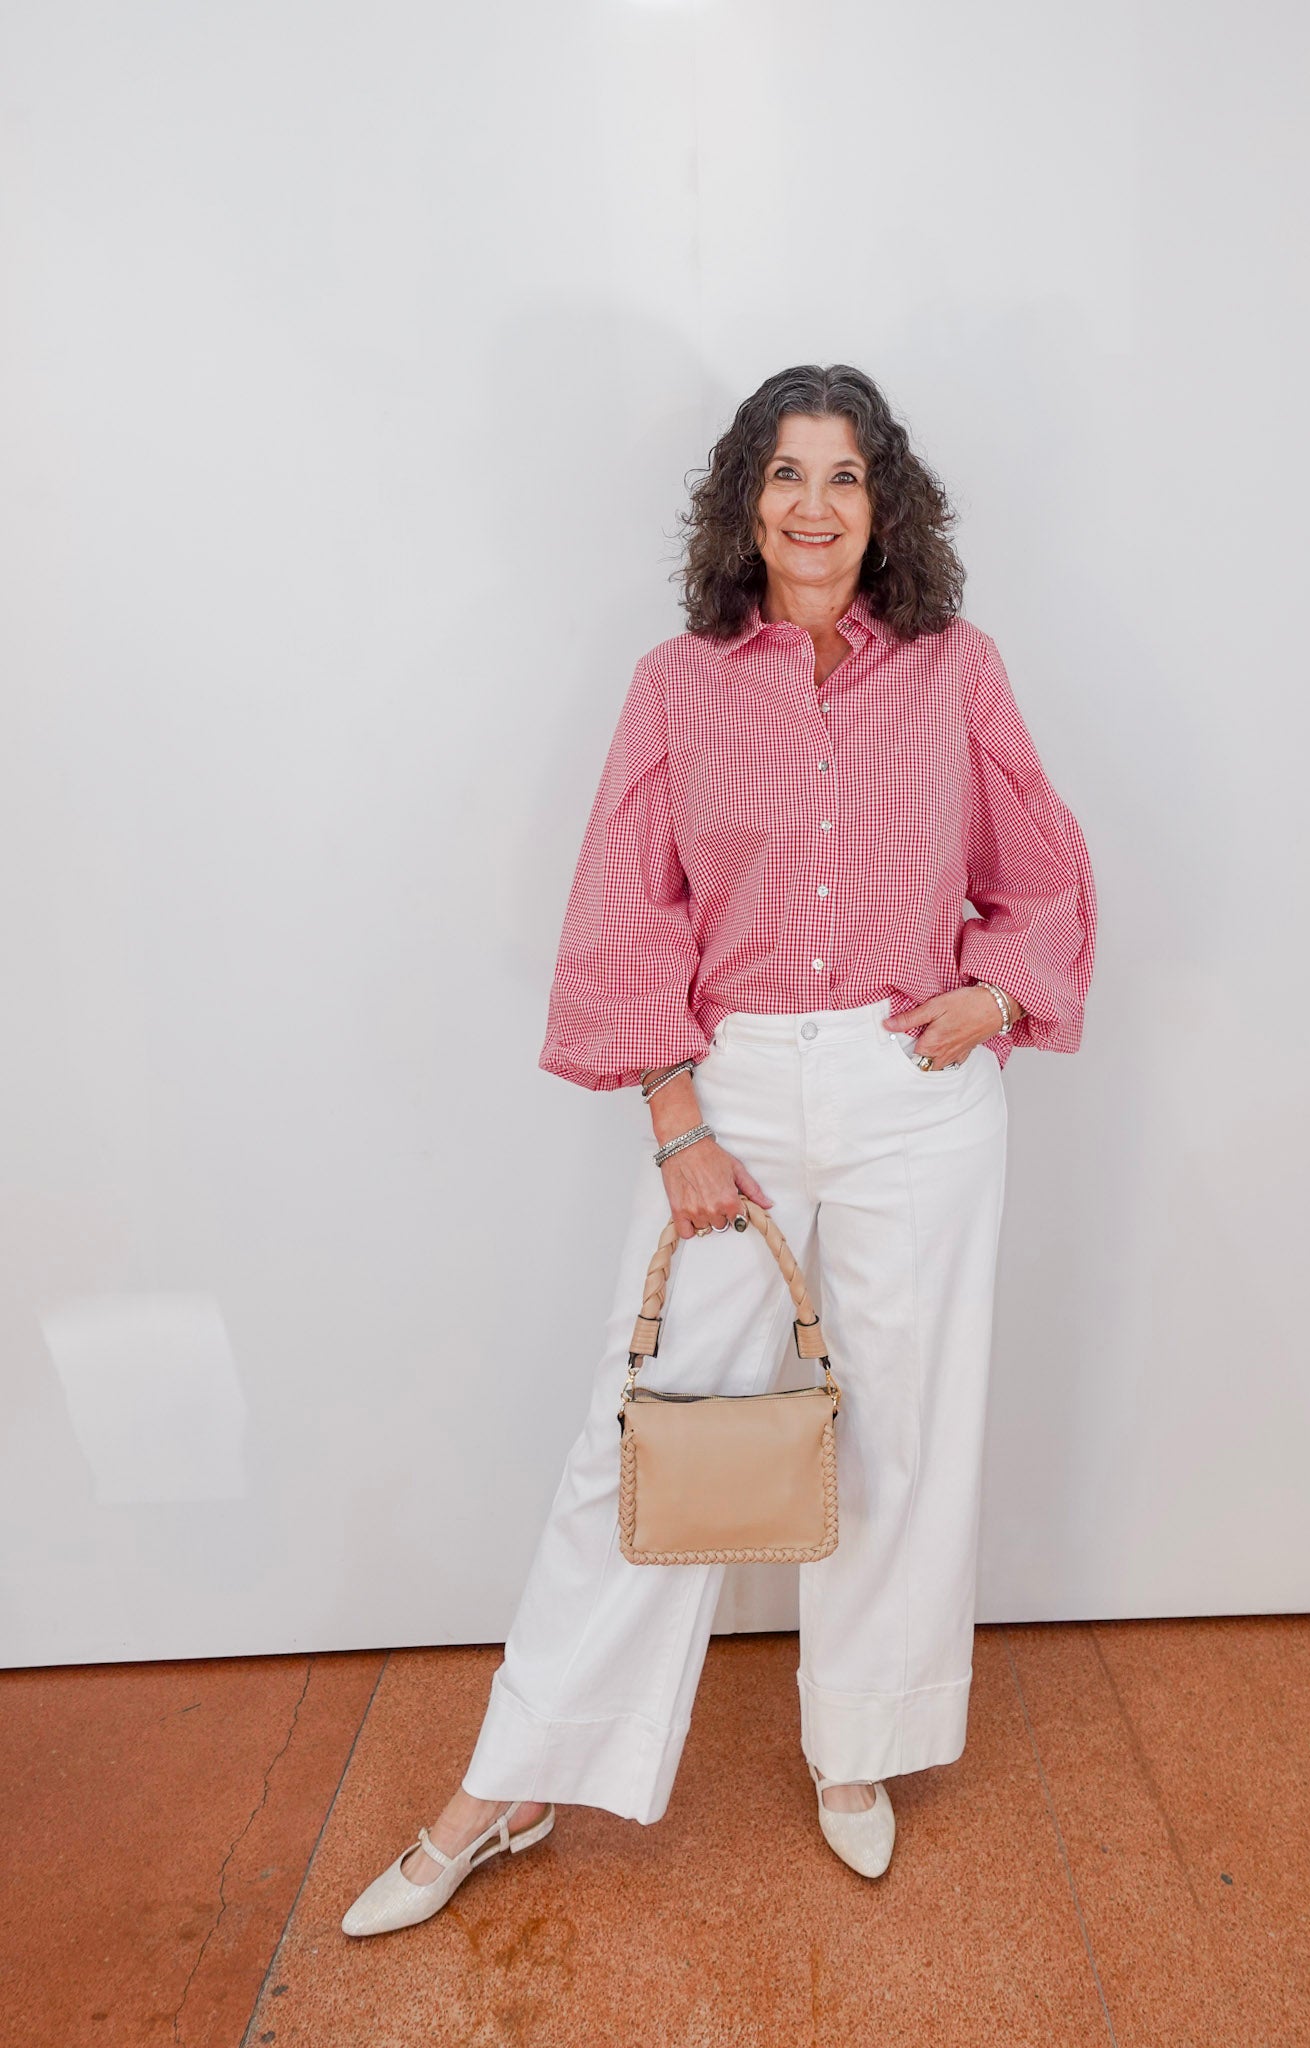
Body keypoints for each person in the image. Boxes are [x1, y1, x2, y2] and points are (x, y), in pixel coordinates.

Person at [343, 363, 1096, 1934]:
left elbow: (1039, 865)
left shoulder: (955, 671)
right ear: (745, 501)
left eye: (844, 476)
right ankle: (515, 1780)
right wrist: (677, 1120)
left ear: (883, 506)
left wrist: (996, 997)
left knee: (901, 1430)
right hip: (733, 1090)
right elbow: (626, 907)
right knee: (648, 1434)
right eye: (785, 473)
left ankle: (858, 1746)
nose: (814, 505)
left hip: (914, 1093)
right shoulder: (677, 687)